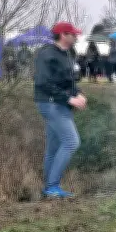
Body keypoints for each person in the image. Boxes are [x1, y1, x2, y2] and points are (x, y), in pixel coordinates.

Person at [34, 22, 86, 198]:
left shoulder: (67, 53)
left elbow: (69, 81)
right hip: (51, 104)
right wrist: (69, 98)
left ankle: (49, 189)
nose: (76, 36)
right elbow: (43, 82)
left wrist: (78, 93)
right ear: (63, 35)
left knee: (54, 147)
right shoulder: (47, 54)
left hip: (61, 104)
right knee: (72, 142)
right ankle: (52, 186)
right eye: (73, 34)